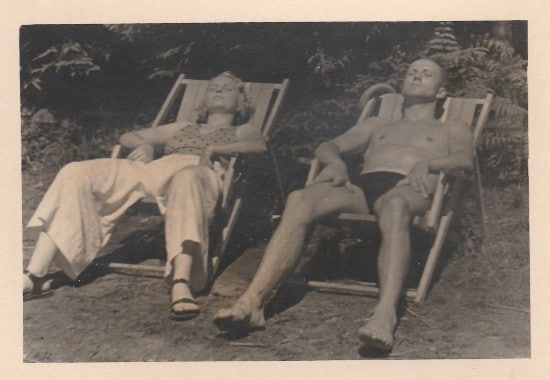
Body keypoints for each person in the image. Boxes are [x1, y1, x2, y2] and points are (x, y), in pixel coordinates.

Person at [214, 59, 473, 351]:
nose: (416, 76)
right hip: (363, 188)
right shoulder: (377, 124)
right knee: (299, 199)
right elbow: (328, 145)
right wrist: (336, 164)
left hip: (406, 188)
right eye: (412, 71)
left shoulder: (452, 126)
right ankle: (252, 303)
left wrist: (428, 164)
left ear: (441, 92)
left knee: (395, 205)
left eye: (426, 74)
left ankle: (384, 315)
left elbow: (465, 160)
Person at [23, 71, 266, 320]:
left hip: (199, 173)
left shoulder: (242, 129)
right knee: (76, 172)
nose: (218, 90)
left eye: (227, 88)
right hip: (156, 170)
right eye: (213, 86)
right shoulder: (184, 126)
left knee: (187, 177)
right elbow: (128, 136)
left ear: (241, 101)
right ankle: (35, 273)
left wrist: (216, 149)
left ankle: (181, 281)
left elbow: (259, 146)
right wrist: (147, 145)